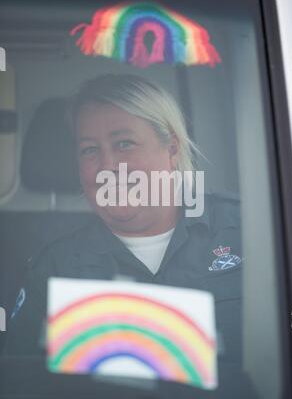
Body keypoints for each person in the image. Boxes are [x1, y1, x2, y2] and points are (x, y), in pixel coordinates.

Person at [4, 74, 242, 366]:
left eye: (124, 144)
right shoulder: (55, 268)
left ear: (172, 150)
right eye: (90, 150)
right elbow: (24, 387)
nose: (108, 167)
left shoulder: (249, 230)